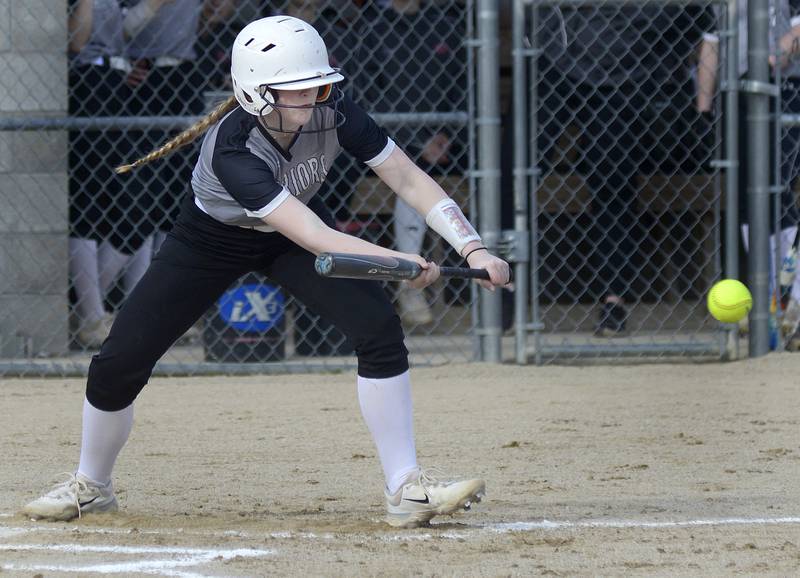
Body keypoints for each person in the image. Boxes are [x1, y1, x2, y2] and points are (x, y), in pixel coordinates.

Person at [22, 16, 508, 528]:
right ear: (255, 93)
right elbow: (316, 236)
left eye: (318, 86)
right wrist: (397, 262)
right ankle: (92, 484)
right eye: (295, 91)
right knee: (120, 360)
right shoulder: (234, 149)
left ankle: (406, 488)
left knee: (378, 328)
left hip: (288, 236)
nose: (313, 98)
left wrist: (473, 248)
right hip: (211, 240)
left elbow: (407, 178)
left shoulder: (334, 108)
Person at [537, 5, 689, 336]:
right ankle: (503, 299)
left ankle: (613, 302)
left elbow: (676, 16)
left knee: (613, 182)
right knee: (512, 170)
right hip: (555, 66)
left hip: (626, 75)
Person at [697, 0, 800, 347]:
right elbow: (711, 45)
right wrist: (704, 107)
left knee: (779, 190)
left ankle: (792, 302)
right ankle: (767, 302)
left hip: (783, 90)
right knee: (744, 195)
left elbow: (798, 30)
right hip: (735, 93)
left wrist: (773, 54)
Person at [67, 0, 164, 348]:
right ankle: (92, 316)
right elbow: (78, 41)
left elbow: (121, 32)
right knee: (89, 206)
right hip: (89, 84)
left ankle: (87, 310)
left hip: (120, 85)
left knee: (136, 209)